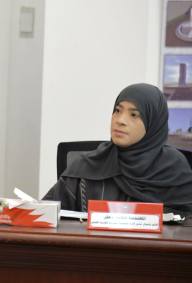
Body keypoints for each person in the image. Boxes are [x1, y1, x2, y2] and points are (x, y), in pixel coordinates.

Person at [43, 83, 192, 217]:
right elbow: (46, 216)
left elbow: (185, 226)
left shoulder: (174, 169)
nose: (120, 120)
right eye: (117, 110)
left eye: (134, 115)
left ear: (154, 123)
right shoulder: (86, 167)